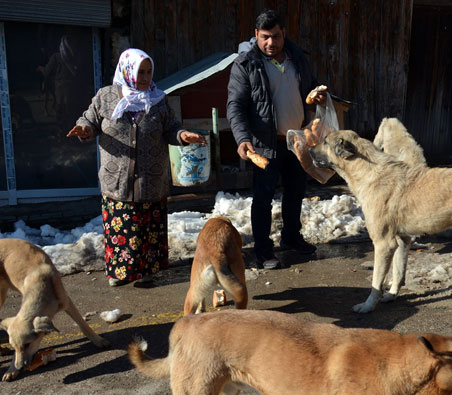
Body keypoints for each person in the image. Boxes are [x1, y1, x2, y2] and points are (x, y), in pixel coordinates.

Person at [67, 48, 206, 287]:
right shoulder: (106, 96)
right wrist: (85, 130)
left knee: (148, 229)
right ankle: (119, 273)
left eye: (149, 72)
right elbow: (89, 119)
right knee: (120, 228)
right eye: (140, 72)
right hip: (117, 178)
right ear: (127, 70)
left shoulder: (158, 100)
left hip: (151, 178)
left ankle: (147, 272)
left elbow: (171, 128)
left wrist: (183, 136)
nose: (145, 77)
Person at [227, 9, 327, 270]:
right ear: (256, 36)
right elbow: (235, 106)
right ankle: (263, 251)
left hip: (296, 140)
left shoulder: (297, 58)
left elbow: (310, 86)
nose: (271, 43)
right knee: (263, 198)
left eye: (276, 36)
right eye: (265, 37)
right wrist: (241, 138)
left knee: (296, 192)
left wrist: (316, 94)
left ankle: (291, 238)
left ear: (284, 34)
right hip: (265, 144)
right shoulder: (246, 64)